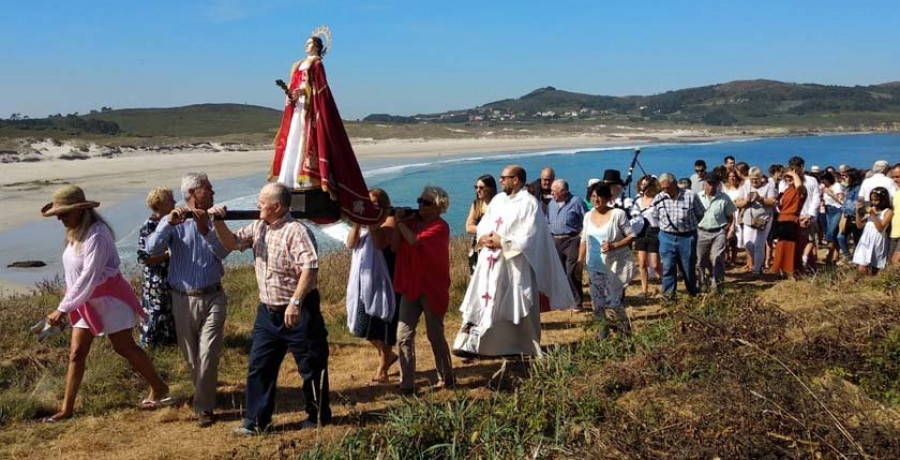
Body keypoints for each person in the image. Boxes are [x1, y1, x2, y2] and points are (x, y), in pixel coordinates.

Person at [40, 185, 169, 422]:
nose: (60, 218)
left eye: (64, 213)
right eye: (58, 214)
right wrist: (68, 303)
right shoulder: (74, 232)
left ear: (79, 210)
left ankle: (159, 386)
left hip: (109, 300)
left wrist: (62, 309)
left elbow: (90, 275)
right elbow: (75, 276)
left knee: (124, 347)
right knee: (77, 353)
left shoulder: (97, 234)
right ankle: (67, 409)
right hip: (84, 302)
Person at [211, 183, 332, 433]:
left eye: (262, 202)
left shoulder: (296, 231)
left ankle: (318, 417)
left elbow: (310, 267)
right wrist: (217, 221)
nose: (257, 205)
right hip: (268, 312)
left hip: (299, 309)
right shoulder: (258, 227)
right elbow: (232, 244)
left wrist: (295, 302)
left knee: (311, 366)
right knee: (260, 366)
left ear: (276, 206)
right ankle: (256, 422)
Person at [459, 165, 575, 357]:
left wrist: (503, 242)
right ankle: (483, 344)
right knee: (486, 300)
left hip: (515, 263)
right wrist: (485, 237)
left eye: (504, 177)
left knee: (518, 302)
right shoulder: (498, 200)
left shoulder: (529, 203)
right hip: (490, 262)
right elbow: (484, 224)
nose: (500, 180)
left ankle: (523, 346)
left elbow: (530, 234)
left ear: (516, 180)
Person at [270, 28, 380, 224]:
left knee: (305, 143)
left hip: (310, 110)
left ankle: (303, 181)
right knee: (293, 143)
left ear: (318, 47)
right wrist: (291, 94)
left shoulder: (317, 64)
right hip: (299, 109)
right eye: (306, 43)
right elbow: (296, 85)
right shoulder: (297, 65)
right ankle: (290, 180)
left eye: (310, 43)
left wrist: (303, 92)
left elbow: (319, 88)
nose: (306, 45)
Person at [146, 172, 230, 427]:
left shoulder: (216, 217)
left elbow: (225, 251)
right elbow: (151, 250)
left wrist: (207, 230)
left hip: (213, 295)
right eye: (208, 188)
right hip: (182, 298)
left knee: (208, 354)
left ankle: (203, 408)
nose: (213, 191)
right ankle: (206, 393)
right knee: (192, 357)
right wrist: (166, 224)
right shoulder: (174, 221)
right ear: (193, 193)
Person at [392, 186, 455, 395]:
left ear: (439, 206)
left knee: (434, 334)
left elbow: (414, 241)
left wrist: (400, 223)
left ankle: (446, 376)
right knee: (403, 335)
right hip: (411, 285)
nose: (420, 205)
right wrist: (396, 224)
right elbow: (394, 247)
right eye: (420, 200)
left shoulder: (440, 227)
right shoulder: (412, 224)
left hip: (431, 287)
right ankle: (406, 383)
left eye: (426, 203)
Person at [346, 189, 399, 385]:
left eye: (375, 205)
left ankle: (383, 369)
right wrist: (358, 222)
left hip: (383, 283)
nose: (371, 208)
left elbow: (379, 244)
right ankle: (389, 356)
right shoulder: (364, 227)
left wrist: (374, 222)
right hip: (362, 283)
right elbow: (351, 244)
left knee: (381, 328)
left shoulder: (390, 222)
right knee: (361, 327)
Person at [579, 182, 635, 338]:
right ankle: (603, 337)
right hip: (594, 266)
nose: (596, 200)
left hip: (614, 266)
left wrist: (614, 245)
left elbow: (631, 236)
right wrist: (579, 262)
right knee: (597, 305)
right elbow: (584, 240)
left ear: (607, 197)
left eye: (600, 196)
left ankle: (625, 334)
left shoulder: (618, 214)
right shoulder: (588, 216)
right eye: (593, 196)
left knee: (613, 303)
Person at [651, 173, 706, 298]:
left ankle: (692, 293)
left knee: (688, 267)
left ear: (674, 184)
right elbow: (654, 216)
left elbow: (701, 214)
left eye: (667, 187)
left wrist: (689, 228)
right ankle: (669, 296)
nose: (665, 190)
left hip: (687, 237)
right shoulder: (659, 198)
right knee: (668, 267)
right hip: (666, 237)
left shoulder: (690, 196)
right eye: (662, 188)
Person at [136, 187, 177, 348]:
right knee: (157, 311)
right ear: (158, 205)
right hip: (156, 278)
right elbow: (143, 257)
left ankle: (169, 343)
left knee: (169, 311)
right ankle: (152, 345)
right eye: (170, 200)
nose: (174, 202)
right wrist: (167, 256)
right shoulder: (150, 225)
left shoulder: (170, 222)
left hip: (169, 275)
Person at [548, 179, 588, 311]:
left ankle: (577, 302)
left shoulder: (576, 202)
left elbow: (586, 220)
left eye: (554, 192)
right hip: (555, 240)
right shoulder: (551, 204)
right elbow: (547, 221)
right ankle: (565, 300)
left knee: (572, 271)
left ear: (563, 191)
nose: (552, 194)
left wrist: (581, 238)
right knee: (560, 272)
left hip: (572, 240)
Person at [696, 175, 737, 292]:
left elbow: (730, 216)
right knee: (700, 261)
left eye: (714, 183)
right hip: (701, 231)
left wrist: (726, 230)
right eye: (709, 183)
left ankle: (717, 287)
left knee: (717, 259)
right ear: (704, 184)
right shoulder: (697, 197)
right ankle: (702, 284)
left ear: (717, 184)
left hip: (718, 232)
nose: (711, 186)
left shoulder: (724, 198)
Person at [779, 157, 820, 270]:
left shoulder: (811, 180)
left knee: (809, 241)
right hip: (791, 218)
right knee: (794, 244)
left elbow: (816, 198)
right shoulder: (784, 182)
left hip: (807, 215)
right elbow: (781, 201)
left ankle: (809, 265)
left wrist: (810, 215)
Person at [734, 167, 777, 275]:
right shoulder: (745, 186)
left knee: (759, 244)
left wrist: (760, 199)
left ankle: (756, 270)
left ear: (761, 177)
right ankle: (758, 264)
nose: (754, 181)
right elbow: (737, 203)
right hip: (749, 219)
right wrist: (746, 201)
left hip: (764, 219)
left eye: (756, 179)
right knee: (748, 244)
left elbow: (772, 202)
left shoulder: (768, 186)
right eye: (752, 179)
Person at [771, 168, 808, 278]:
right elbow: (780, 206)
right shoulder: (785, 191)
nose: (787, 179)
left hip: (792, 220)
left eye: (790, 177)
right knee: (781, 247)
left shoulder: (800, 190)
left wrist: (793, 173)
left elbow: (799, 186)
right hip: (782, 220)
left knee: (791, 247)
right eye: (786, 177)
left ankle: (791, 271)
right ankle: (781, 270)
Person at [631, 175, 662, 297]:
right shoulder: (637, 201)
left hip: (654, 231)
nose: (644, 187)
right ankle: (644, 290)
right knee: (642, 263)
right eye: (643, 185)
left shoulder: (657, 200)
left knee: (655, 264)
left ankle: (667, 283)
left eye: (647, 185)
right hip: (641, 232)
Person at [853, 187, 893, 275]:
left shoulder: (888, 212)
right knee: (862, 265)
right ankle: (863, 282)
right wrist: (857, 212)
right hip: (866, 240)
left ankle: (871, 284)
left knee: (875, 267)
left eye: (876, 200)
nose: (874, 202)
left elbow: (881, 228)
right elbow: (859, 225)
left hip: (878, 240)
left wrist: (872, 214)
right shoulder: (871, 209)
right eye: (872, 200)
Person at [466, 174, 497, 273]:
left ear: (491, 189)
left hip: (494, 246)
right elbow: (468, 227)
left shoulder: (499, 204)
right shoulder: (476, 205)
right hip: (478, 246)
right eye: (476, 187)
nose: (477, 190)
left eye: (481, 187)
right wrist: (486, 230)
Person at [837, 168, 865, 264]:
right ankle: (848, 256)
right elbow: (846, 203)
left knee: (857, 240)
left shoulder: (859, 188)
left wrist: (845, 208)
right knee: (841, 237)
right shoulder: (849, 188)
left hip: (855, 217)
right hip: (847, 217)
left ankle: (856, 260)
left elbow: (854, 204)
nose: (844, 178)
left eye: (846, 176)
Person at [819, 172, 845, 264]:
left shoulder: (837, 186)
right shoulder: (824, 187)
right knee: (833, 233)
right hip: (828, 210)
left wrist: (831, 194)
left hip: (836, 209)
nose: (823, 182)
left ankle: (830, 254)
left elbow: (841, 200)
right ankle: (834, 256)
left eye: (824, 180)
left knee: (831, 232)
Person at [722, 169, 744, 267]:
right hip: (727, 215)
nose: (732, 178)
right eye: (730, 176)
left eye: (734, 176)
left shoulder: (740, 189)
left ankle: (734, 258)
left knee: (736, 238)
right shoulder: (725, 190)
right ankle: (727, 257)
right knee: (726, 237)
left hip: (737, 213)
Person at [890, 164, 900, 267]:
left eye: (897, 176)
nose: (895, 179)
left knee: (895, 261)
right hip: (893, 233)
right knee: (891, 263)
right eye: (893, 177)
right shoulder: (896, 193)